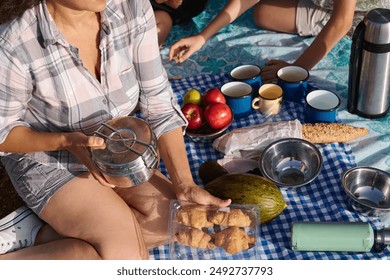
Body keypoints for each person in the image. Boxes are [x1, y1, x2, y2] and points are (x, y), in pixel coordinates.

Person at [0, 0, 230, 260]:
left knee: (176, 220)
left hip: (117, 153)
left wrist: (184, 183)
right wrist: (66, 141)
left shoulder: (131, 6)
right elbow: (3, 133)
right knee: (127, 258)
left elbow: (158, 103)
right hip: (50, 160)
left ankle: (40, 235)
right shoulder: (14, 43)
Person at [168, 0, 390, 82]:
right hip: (325, 4)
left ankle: (362, 29)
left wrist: (296, 70)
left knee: (346, 26)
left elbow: (341, 21)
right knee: (263, 12)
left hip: (365, 13)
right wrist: (202, 37)